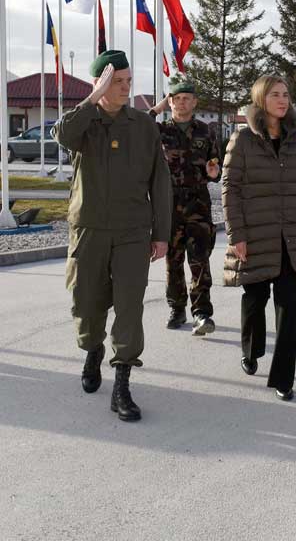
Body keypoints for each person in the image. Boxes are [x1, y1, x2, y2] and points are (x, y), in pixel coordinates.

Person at [53, 50, 172, 423]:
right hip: (88, 228)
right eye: (115, 82)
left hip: (132, 232)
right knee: (86, 303)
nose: (124, 88)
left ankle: (122, 380)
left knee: (129, 306)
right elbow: (62, 134)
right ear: (99, 84)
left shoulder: (143, 125)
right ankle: (92, 350)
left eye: (127, 81)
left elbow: (161, 182)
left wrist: (162, 234)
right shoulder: (83, 123)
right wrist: (92, 97)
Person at [222, 75, 296, 402]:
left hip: (291, 235)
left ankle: (283, 377)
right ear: (260, 99)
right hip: (254, 234)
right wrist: (236, 233)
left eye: (286, 94)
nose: (283, 100)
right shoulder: (243, 140)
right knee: (255, 300)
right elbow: (230, 189)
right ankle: (251, 350)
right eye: (275, 94)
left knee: (288, 307)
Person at [152, 78, 221, 335]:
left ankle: (202, 313)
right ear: (169, 102)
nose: (182, 102)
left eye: (186, 98)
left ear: (194, 102)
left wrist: (214, 172)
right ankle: (177, 308)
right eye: (176, 98)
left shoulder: (206, 131)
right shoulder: (159, 131)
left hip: (198, 203)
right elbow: (137, 125)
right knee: (173, 259)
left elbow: (215, 167)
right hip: (168, 203)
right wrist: (157, 109)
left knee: (200, 259)